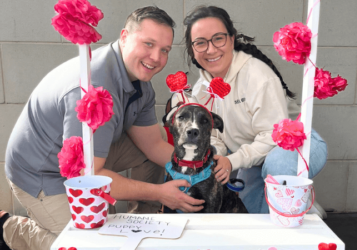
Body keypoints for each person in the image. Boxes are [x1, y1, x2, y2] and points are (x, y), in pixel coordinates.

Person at [1, 6, 204, 250]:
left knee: (160, 136)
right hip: (44, 174)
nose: (156, 58)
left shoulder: (140, 81)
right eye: (148, 44)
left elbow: (153, 146)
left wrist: (203, 169)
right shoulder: (94, 90)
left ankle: (141, 224)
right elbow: (88, 176)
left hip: (90, 162)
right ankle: (10, 228)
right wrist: (160, 193)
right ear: (124, 37)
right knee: (86, 246)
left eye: (164, 50)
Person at [183, 6, 328, 214]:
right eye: (200, 43)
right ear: (192, 49)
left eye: (218, 38)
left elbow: (272, 136)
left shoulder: (258, 75)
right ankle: (296, 202)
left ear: (232, 39)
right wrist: (215, 158)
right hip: (255, 156)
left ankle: (298, 210)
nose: (211, 49)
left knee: (278, 166)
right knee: (252, 214)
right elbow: (213, 135)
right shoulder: (200, 90)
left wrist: (232, 161)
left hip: (295, 146)